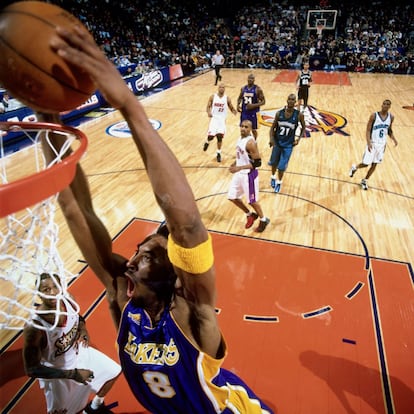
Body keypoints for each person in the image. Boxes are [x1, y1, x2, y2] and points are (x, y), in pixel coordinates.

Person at [49, 25, 273, 413]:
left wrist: (130, 107)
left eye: (150, 255)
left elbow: (186, 224)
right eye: (139, 251)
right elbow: (77, 211)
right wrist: (48, 120)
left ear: (174, 271)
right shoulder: (123, 297)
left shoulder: (193, 310)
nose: (132, 260)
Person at [22, 273, 121, 414]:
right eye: (46, 290)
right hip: (58, 373)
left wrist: (83, 329)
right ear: (39, 294)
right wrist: (73, 374)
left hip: (79, 354)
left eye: (55, 287)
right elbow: (31, 370)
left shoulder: (69, 300)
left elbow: (78, 317)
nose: (53, 293)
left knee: (113, 371)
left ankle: (94, 407)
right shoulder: (35, 327)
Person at [228, 119, 270, 232]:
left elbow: (257, 163)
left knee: (252, 201)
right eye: (242, 126)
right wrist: (234, 164)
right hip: (239, 173)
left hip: (248, 175)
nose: (243, 128)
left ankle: (263, 219)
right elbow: (241, 157)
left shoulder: (251, 143)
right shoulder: (240, 138)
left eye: (246, 127)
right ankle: (249, 214)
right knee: (232, 197)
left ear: (251, 129)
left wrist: (239, 167)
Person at [349, 99, 398, 190]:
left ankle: (365, 180)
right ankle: (354, 167)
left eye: (388, 104)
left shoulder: (391, 117)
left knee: (374, 164)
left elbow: (389, 130)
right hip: (373, 143)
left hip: (382, 145)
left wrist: (394, 139)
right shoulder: (374, 116)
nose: (386, 105)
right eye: (384, 104)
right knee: (365, 164)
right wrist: (368, 142)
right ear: (381, 105)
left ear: (390, 106)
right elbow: (368, 130)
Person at [268, 93, 306, 193]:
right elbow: (272, 128)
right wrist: (271, 139)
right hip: (277, 142)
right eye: (289, 99)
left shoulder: (298, 115)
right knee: (274, 163)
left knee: (281, 167)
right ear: (287, 100)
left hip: (288, 145)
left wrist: (298, 138)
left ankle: (279, 182)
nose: (291, 101)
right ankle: (272, 176)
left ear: (295, 102)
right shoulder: (279, 113)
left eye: (293, 99)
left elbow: (304, 127)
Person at [203, 83, 237, 162]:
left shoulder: (227, 98)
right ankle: (207, 142)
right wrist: (208, 112)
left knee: (219, 137)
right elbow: (208, 106)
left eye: (223, 87)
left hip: (222, 120)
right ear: (218, 88)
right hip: (214, 119)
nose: (222, 88)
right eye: (220, 87)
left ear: (225, 89)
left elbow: (231, 106)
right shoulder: (213, 97)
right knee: (211, 136)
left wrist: (234, 111)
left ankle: (218, 153)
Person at [237, 73, 266, 140]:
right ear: (247, 79)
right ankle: (243, 141)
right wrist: (238, 105)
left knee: (253, 129)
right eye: (249, 78)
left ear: (254, 80)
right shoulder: (243, 88)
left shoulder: (258, 89)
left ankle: (254, 141)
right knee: (243, 128)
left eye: (252, 78)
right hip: (244, 112)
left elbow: (263, 101)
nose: (250, 80)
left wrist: (253, 105)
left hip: (253, 112)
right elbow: (239, 98)